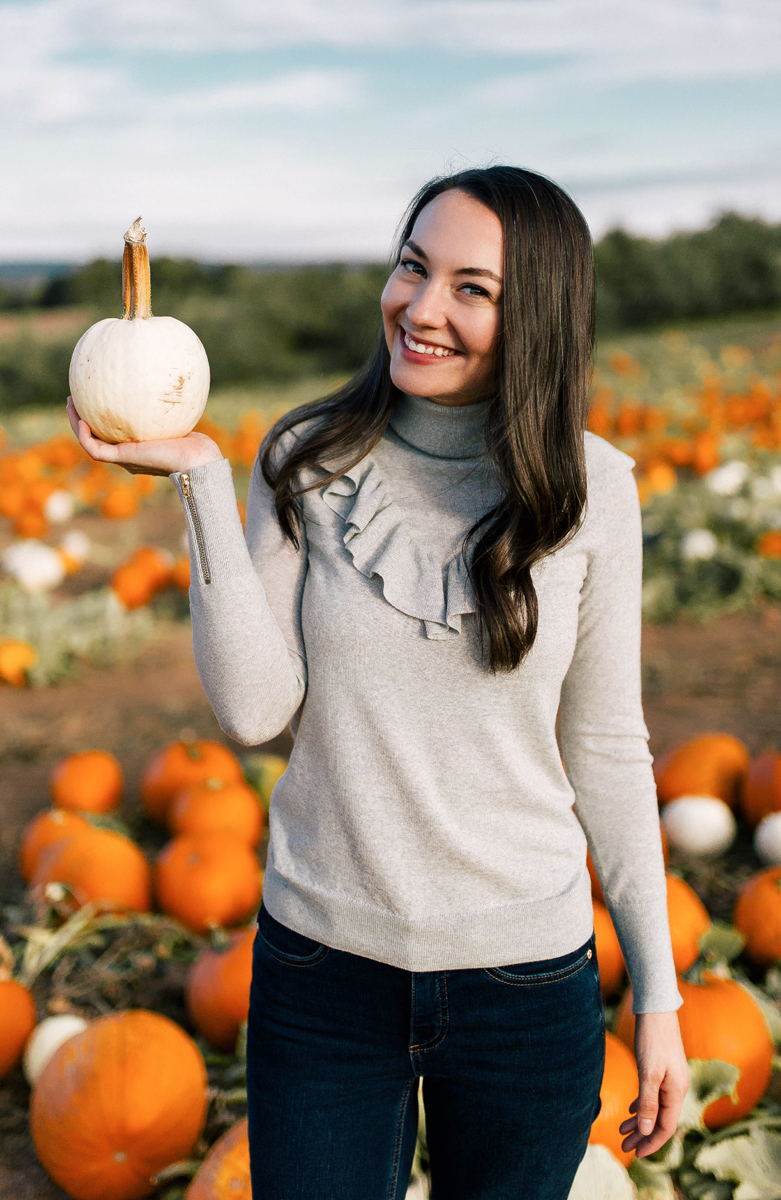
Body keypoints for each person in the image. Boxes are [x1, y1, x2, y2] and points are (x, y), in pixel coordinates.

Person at [68, 165, 690, 1200]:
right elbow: (256, 707)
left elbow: (608, 748)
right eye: (413, 267)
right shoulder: (307, 459)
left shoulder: (596, 491)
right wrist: (202, 486)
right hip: (323, 971)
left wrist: (660, 999)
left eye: (472, 288)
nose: (423, 307)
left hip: (526, 987)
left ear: (537, 313)